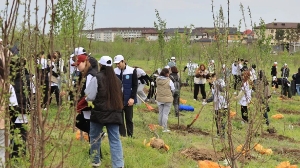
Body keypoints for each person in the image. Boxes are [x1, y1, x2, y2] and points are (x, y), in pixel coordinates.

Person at [85, 56, 124, 168]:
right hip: (115, 114)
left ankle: (95, 161)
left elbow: (89, 96)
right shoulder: (118, 81)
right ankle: (118, 165)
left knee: (95, 138)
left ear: (100, 65)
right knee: (115, 140)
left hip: (99, 114)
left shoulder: (97, 78)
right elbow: (121, 97)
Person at [9, 58, 31, 158]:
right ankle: (19, 156)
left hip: (12, 111)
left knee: (12, 134)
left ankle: (14, 156)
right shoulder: (29, 78)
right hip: (23, 111)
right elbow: (32, 96)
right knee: (21, 136)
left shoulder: (8, 79)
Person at [114, 55, 138, 137]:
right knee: (119, 119)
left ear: (123, 61)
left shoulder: (132, 71)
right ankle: (122, 135)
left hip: (128, 98)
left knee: (129, 119)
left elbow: (135, 85)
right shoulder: (114, 71)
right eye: (116, 64)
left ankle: (130, 135)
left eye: (118, 63)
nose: (117, 65)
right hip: (118, 99)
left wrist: (132, 98)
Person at [74, 54, 98, 134]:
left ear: (85, 62)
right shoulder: (87, 74)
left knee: (89, 127)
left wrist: (81, 105)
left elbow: (89, 94)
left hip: (89, 106)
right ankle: (97, 134)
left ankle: (98, 134)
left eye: (78, 64)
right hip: (88, 106)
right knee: (80, 122)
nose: (77, 67)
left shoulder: (90, 75)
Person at [156, 68, 175, 132]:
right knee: (165, 114)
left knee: (160, 113)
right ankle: (164, 128)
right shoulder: (169, 81)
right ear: (167, 74)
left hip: (159, 99)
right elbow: (173, 88)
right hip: (168, 99)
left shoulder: (157, 80)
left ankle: (160, 126)